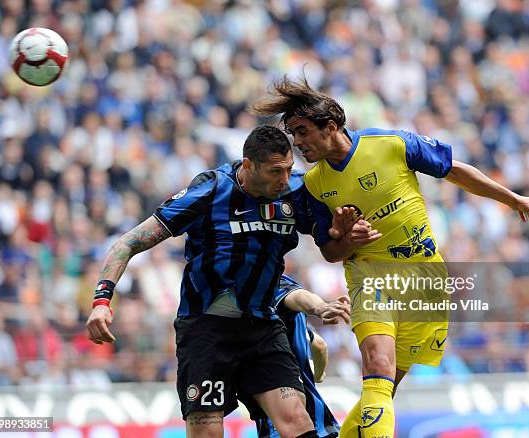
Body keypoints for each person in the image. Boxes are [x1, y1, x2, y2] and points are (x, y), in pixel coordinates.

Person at [253, 78, 529, 438]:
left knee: (383, 388)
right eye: (293, 135)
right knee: (377, 366)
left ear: (330, 127)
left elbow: (454, 170)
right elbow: (331, 253)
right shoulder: (313, 185)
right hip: (369, 276)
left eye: (302, 132)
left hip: (424, 278)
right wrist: (346, 237)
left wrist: (513, 199)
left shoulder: (391, 144)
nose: (297, 143)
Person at [86, 125, 364, 438]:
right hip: (206, 330)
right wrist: (101, 302)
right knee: (207, 433)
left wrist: (347, 237)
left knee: (297, 421)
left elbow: (332, 251)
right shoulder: (211, 190)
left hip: (262, 328)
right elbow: (129, 243)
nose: (284, 179)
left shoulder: (297, 191)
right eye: (275, 171)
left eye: (288, 169)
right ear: (248, 165)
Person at [242, 275, 344, 438]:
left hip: (281, 422)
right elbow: (319, 345)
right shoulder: (283, 320)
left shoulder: (263, 288)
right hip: (318, 421)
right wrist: (318, 375)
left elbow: (298, 296)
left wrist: (320, 307)